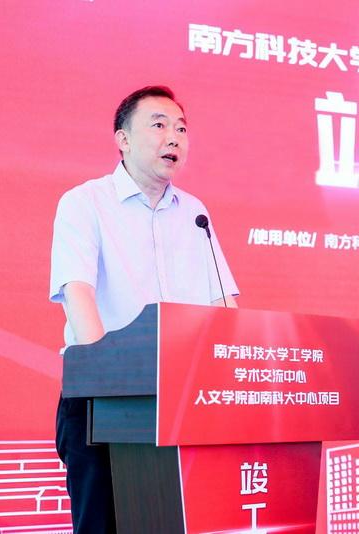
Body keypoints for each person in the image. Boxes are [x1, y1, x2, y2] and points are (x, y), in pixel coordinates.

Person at [49, 85, 238, 533]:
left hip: (181, 400)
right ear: (123, 139)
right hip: (101, 401)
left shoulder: (194, 213)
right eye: (158, 125)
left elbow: (222, 303)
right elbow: (77, 292)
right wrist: (108, 377)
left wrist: (236, 364)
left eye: (181, 129)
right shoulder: (85, 202)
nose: (173, 137)